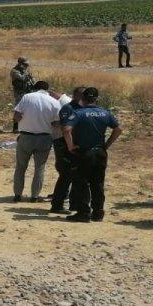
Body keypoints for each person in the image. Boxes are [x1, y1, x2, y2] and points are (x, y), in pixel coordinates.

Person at [64, 87, 121, 222]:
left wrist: (70, 146)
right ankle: (98, 212)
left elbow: (66, 130)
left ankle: (83, 213)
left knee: (82, 182)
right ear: (96, 99)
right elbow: (118, 129)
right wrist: (107, 144)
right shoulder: (105, 113)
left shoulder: (79, 113)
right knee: (98, 183)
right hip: (100, 152)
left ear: (82, 99)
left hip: (84, 153)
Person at [11, 80, 60, 203]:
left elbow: (16, 116)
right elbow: (56, 123)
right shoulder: (54, 102)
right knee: (40, 168)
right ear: (47, 89)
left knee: (21, 167)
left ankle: (17, 194)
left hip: (26, 136)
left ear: (35, 88)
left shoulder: (27, 97)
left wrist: (25, 121)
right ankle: (34, 196)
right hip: (44, 138)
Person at [49, 86, 84, 214]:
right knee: (66, 175)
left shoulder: (83, 108)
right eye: (83, 95)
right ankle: (57, 205)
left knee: (78, 175)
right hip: (64, 144)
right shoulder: (68, 108)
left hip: (77, 144)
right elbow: (64, 126)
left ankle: (74, 204)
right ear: (76, 96)